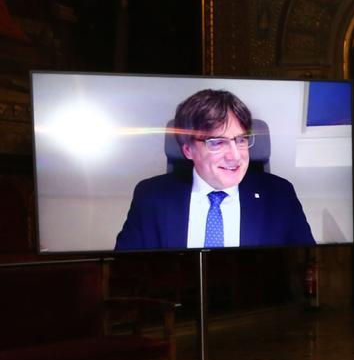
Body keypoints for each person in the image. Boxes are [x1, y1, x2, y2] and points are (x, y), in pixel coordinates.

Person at [114, 89, 315, 250]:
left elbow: (306, 270)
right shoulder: (150, 196)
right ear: (188, 150)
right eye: (217, 142)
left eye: (241, 139)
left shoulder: (280, 195)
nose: (235, 156)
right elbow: (125, 274)